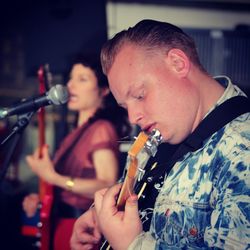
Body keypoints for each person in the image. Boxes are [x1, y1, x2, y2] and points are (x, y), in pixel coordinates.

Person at [70, 19, 250, 250]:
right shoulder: (161, 131)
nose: (133, 117)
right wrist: (98, 216)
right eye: (125, 107)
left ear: (178, 63)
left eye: (140, 95)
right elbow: (142, 192)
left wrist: (131, 245)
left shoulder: (243, 149)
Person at [22, 54, 130, 250]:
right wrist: (41, 198)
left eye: (83, 79)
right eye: (71, 78)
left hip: (81, 227)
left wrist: (52, 177)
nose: (70, 86)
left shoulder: (101, 128)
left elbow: (107, 183)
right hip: (61, 222)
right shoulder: (78, 131)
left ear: (104, 90)